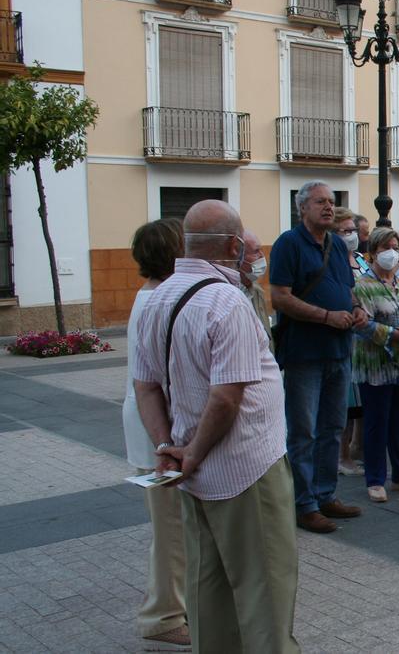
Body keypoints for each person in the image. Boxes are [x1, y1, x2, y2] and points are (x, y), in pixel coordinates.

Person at [133, 200, 300, 653]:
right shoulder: (226, 301)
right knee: (264, 586)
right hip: (246, 467)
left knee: (209, 588)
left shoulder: (157, 296)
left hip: (193, 470)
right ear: (232, 245)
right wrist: (194, 453)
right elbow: (227, 397)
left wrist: (170, 446)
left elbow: (145, 386)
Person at [269, 181, 366, 534]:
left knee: (332, 427)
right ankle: (304, 503)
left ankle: (326, 495)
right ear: (302, 208)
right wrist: (326, 316)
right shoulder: (288, 244)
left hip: (340, 351)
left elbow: (349, 290)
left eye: (331, 201)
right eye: (320, 202)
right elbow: (280, 297)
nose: (328, 207)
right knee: (303, 432)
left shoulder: (337, 245)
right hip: (305, 354)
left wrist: (357, 310)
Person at [123, 219, 189, 651]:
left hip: (155, 427)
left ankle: (174, 606)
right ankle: (162, 616)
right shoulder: (156, 302)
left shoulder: (151, 297)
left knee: (173, 526)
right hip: (159, 430)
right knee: (171, 530)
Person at [351, 227, 399, 503]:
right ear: (373, 251)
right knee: (377, 423)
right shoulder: (362, 285)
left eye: (395, 246)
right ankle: (375, 479)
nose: (391, 252)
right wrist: (395, 335)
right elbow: (362, 325)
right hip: (376, 366)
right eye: (385, 247)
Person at [335, 207, 368, 478]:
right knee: (345, 402)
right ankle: (341, 455)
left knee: (361, 401)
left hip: (367, 339)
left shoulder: (360, 259)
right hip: (346, 340)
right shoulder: (333, 263)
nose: (352, 236)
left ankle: (358, 446)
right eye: (345, 231)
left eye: (353, 231)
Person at [239, 229, 272, 351]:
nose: (262, 256)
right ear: (239, 257)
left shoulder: (257, 291)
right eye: (256, 251)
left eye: (262, 250)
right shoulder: (229, 294)